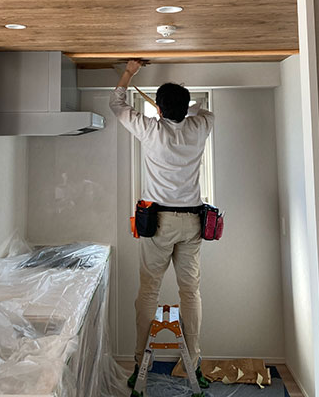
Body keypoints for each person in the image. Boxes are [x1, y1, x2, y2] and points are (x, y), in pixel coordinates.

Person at [109, 59, 214, 391]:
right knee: (190, 292)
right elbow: (202, 110)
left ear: (160, 109)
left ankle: (140, 363)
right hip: (193, 222)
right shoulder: (201, 126)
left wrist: (129, 73)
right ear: (185, 107)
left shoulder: (151, 129)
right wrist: (176, 108)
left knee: (148, 292)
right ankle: (193, 363)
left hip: (159, 223)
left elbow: (117, 104)